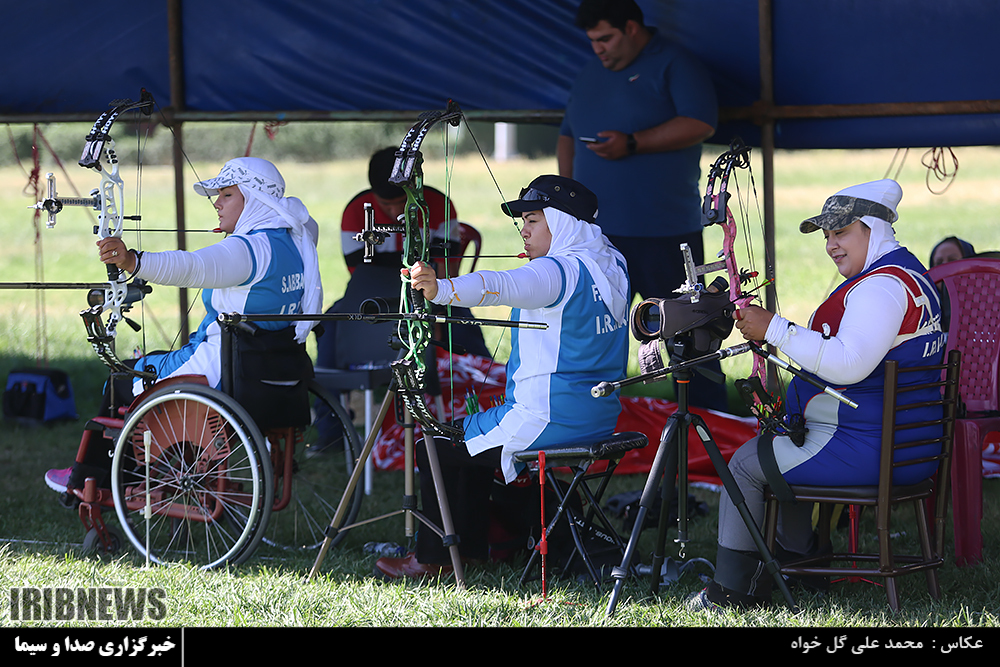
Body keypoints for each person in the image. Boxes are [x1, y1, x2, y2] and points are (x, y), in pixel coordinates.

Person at [690, 179, 946, 610]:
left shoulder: (880, 288)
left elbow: (850, 363)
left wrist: (775, 328)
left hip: (869, 449)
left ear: (873, 228)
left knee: (747, 463)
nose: (831, 245)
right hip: (900, 447)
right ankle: (799, 567)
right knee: (780, 447)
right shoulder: (906, 274)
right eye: (827, 235)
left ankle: (731, 592)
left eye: (841, 232)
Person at [373, 175, 630, 579]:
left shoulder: (558, 272)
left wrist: (441, 289)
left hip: (546, 419)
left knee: (436, 446)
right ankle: (480, 547)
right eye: (523, 222)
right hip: (597, 417)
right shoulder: (611, 263)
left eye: (533, 220)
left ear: (562, 223)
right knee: (462, 440)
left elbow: (499, 284)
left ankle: (438, 559)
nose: (524, 231)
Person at [45, 157, 322, 494]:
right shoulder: (296, 240)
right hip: (279, 374)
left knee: (122, 379)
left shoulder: (250, 250)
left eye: (227, 195)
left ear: (254, 198)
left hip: (224, 373)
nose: (217, 203)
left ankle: (93, 481)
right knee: (150, 362)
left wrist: (132, 261)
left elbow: (191, 266)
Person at [558, 0, 726, 411]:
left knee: (689, 333)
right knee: (587, 331)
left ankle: (711, 420)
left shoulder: (675, 63)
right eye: (592, 40)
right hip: (596, 235)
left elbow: (701, 122)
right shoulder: (589, 71)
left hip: (663, 230)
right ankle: (581, 415)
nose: (598, 48)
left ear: (632, 28)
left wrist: (633, 143)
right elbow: (566, 134)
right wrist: (565, 199)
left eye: (606, 38)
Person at [316, 146, 487, 372]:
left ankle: (482, 381)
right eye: (386, 205)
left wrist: (434, 310)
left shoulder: (439, 205)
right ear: (373, 194)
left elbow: (448, 271)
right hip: (373, 295)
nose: (396, 211)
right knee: (330, 326)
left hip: (433, 294)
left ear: (414, 187)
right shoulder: (356, 210)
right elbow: (359, 276)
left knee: (463, 327)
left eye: (403, 201)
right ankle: (331, 390)